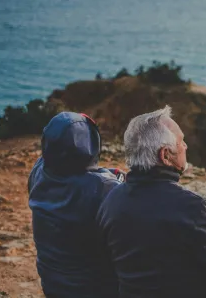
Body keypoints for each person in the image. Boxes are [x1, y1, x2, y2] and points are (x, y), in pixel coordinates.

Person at [97, 106, 206, 298]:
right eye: (181, 142)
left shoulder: (111, 199)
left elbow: (105, 267)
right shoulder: (193, 209)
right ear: (165, 155)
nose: (185, 146)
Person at [28, 112, 125, 298]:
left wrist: (104, 173)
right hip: (95, 290)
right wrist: (116, 178)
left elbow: (75, 176)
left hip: (52, 284)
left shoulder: (39, 171)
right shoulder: (106, 188)